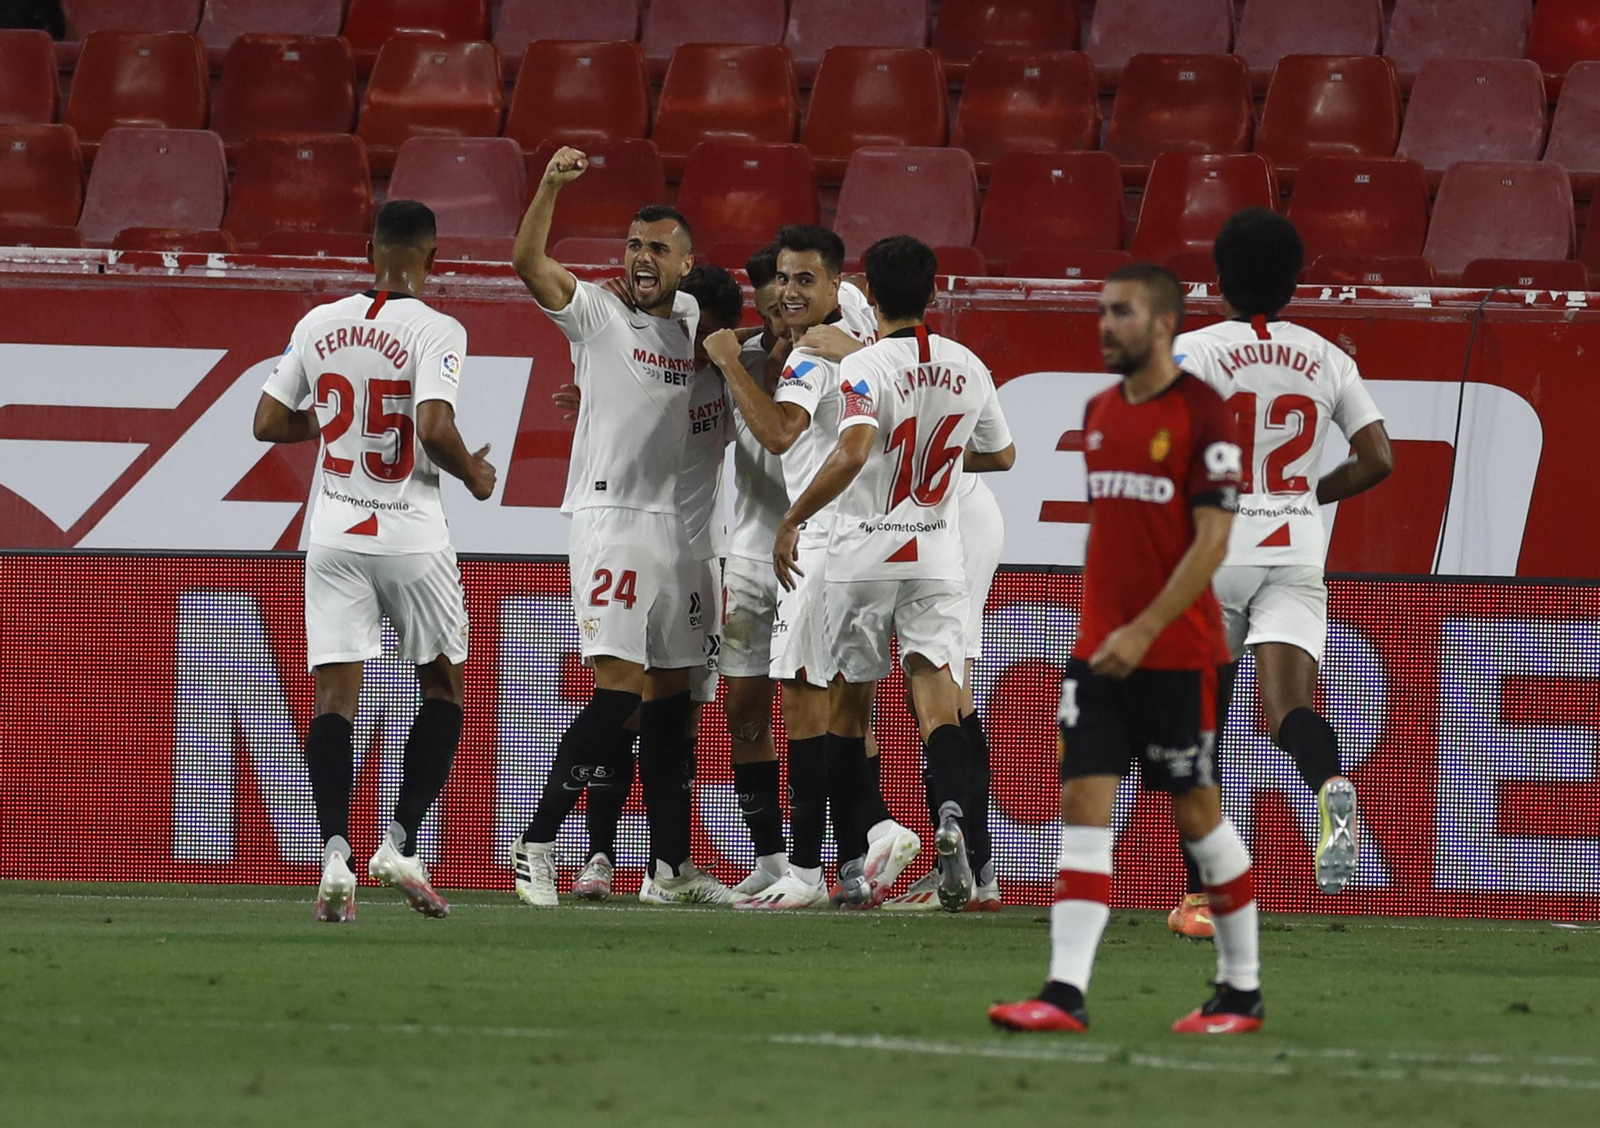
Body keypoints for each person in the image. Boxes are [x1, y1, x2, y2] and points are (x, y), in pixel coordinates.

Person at [989, 264, 1263, 1035]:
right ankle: (1064, 992)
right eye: (1103, 312)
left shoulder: (1206, 416)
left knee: (1198, 816)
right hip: (1099, 656)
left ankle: (1240, 990)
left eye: (1124, 313)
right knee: (1082, 809)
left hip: (1175, 654)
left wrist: (1143, 628)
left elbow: (1212, 543)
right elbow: (1115, 538)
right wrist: (1098, 635)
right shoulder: (1100, 411)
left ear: (1167, 323)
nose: (1107, 325)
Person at [251, 200, 497, 923]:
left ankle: (334, 853)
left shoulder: (317, 323)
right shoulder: (437, 327)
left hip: (331, 530)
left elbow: (267, 421)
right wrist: (474, 477)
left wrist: (330, 423)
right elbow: (433, 425)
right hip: (408, 531)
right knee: (444, 686)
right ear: (433, 256)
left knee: (334, 700)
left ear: (370, 249)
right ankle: (400, 840)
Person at [507, 146, 736, 908]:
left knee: (675, 700)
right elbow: (527, 260)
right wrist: (549, 186)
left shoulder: (701, 325)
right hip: (614, 519)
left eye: (657, 249)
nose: (641, 259)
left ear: (685, 262)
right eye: (633, 246)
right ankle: (537, 841)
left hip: (688, 536)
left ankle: (670, 869)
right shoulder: (598, 314)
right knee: (618, 691)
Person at [1166, 208, 1394, 938]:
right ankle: (1331, 784)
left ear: (1217, 278)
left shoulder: (1193, 351)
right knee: (1290, 708)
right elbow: (1379, 458)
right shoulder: (1328, 357)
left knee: (1201, 728)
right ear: (1295, 282)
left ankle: (1204, 901)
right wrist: (1308, 494)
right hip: (1295, 542)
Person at [774, 235, 1016, 914]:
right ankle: (955, 826)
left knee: (851, 708)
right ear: (933, 292)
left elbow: (852, 451)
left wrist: (793, 517)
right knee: (941, 703)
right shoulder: (969, 366)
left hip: (865, 551)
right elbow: (1003, 455)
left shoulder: (865, 365)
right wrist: (934, 475)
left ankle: (855, 870)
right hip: (937, 552)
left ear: (868, 295)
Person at [707, 225, 919, 910]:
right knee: (845, 710)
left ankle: (807, 867)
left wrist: (727, 364)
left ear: (833, 283)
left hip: (822, 544)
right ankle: (863, 849)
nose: (791, 292)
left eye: (805, 280)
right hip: (875, 538)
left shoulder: (809, 359)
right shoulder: (859, 320)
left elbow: (776, 433)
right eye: (783, 280)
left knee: (803, 702)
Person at [559, 263, 745, 900]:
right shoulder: (646, 363)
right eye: (697, 330)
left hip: (698, 559)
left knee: (681, 717)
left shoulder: (732, 380)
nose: (699, 347)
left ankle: (669, 868)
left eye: (713, 335)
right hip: (638, 538)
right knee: (623, 703)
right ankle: (598, 857)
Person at [710, 243, 798, 898]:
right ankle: (768, 860)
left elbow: (781, 437)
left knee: (826, 709)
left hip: (812, 552)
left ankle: (836, 857)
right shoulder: (734, 357)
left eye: (791, 290)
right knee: (745, 711)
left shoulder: (832, 357)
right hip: (748, 550)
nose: (781, 303)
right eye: (769, 295)